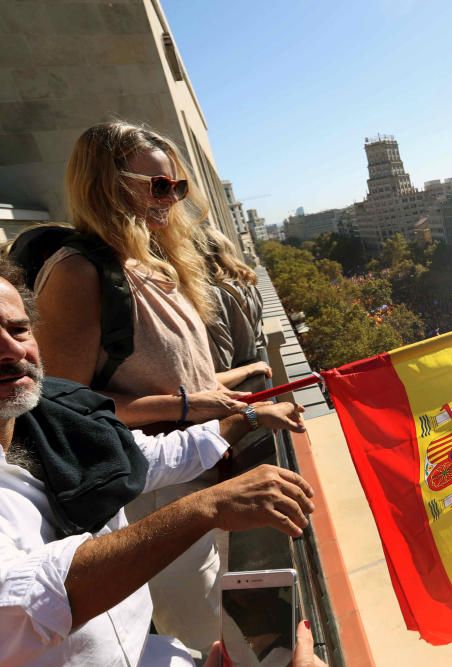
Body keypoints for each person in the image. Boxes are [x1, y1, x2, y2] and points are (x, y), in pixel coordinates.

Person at [0, 259, 315, 666]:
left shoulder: (56, 417)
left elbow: (144, 458)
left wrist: (246, 418)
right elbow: (21, 607)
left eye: (18, 329)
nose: (11, 351)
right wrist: (205, 508)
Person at [30, 120, 271, 650]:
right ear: (107, 185)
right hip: (153, 497)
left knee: (230, 615)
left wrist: (241, 383)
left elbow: (180, 375)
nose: (172, 198)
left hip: (206, 470)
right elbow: (62, 409)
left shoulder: (150, 265)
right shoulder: (78, 273)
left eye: (177, 186)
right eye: (158, 186)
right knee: (205, 636)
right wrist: (187, 405)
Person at [199, 223, 266, 385]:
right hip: (258, 367)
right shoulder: (246, 284)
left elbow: (221, 363)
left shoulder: (211, 295)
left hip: (239, 383)